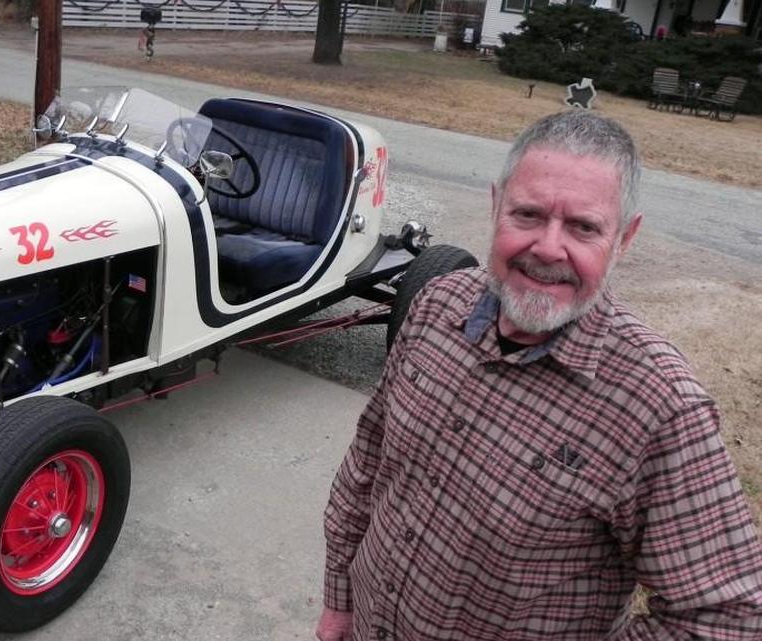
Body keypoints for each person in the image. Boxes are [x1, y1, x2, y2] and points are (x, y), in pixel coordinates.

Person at [316, 110, 762, 641]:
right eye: (527, 214)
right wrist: (340, 598)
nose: (549, 248)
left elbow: (726, 619)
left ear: (624, 239)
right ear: (496, 207)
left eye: (583, 227)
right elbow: (368, 459)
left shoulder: (659, 407)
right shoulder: (436, 304)